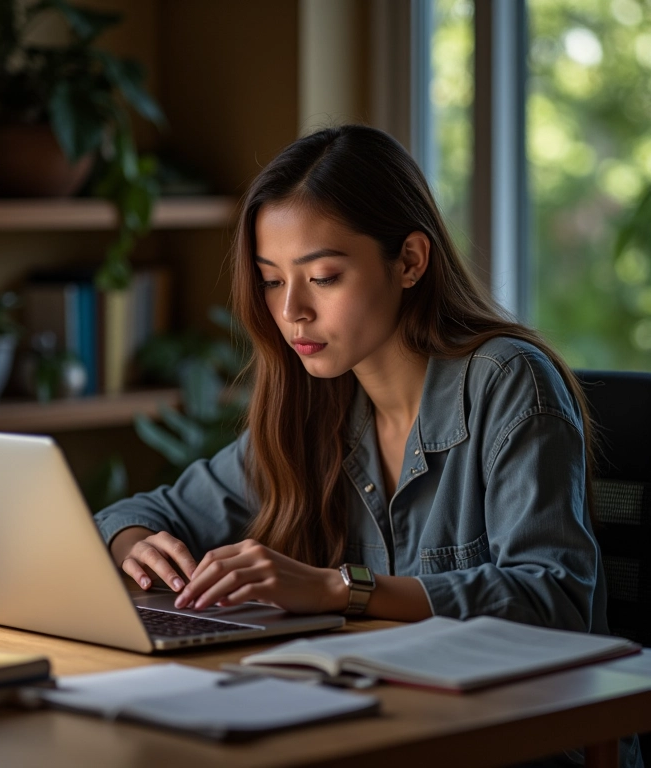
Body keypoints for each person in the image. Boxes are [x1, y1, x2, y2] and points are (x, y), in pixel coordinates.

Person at [95, 125, 641, 767]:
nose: (292, 311)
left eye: (323, 277)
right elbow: (141, 513)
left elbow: (554, 599)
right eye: (272, 281)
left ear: (409, 260)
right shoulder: (313, 405)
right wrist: (137, 545)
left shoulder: (507, 381)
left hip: (522, 746)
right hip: (380, 733)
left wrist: (340, 589)